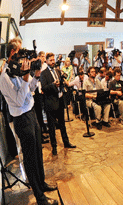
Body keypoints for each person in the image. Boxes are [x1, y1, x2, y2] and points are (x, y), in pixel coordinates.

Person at [0, 38, 58, 205]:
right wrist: (26, 77)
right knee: (30, 158)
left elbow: (30, 91)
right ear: (12, 52)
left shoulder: (17, 70)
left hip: (31, 114)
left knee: (38, 153)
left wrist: (36, 77)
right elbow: (18, 101)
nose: (24, 57)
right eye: (20, 52)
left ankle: (42, 184)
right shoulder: (4, 77)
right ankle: (40, 199)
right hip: (21, 119)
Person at [41, 53, 76, 155]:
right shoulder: (44, 74)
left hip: (60, 100)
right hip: (50, 103)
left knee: (62, 124)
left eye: (53, 60)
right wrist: (53, 85)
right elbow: (44, 88)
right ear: (46, 61)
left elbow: (61, 82)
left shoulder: (57, 70)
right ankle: (54, 146)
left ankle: (66, 142)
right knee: (52, 127)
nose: (53, 62)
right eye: (50, 60)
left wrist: (62, 83)